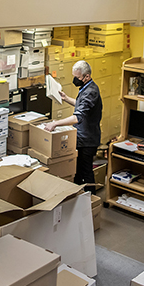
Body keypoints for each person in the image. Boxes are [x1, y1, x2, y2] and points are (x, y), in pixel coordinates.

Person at [44, 60, 102, 190]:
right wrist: (66, 98)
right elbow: (82, 105)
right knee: (78, 171)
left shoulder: (91, 91)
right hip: (82, 137)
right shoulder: (87, 87)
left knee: (85, 172)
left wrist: (55, 124)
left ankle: (91, 200)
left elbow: (78, 117)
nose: (75, 80)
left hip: (87, 140)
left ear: (87, 76)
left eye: (77, 77)